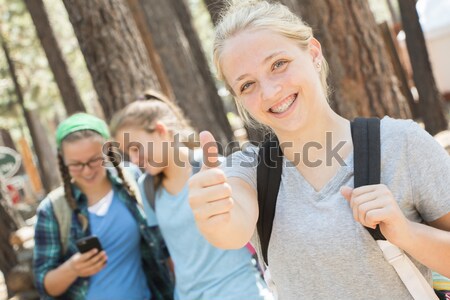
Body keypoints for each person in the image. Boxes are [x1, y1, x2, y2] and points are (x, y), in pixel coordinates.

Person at [187, 1, 450, 299]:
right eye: (247, 85)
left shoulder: (401, 143)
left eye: (278, 64)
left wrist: (407, 233)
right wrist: (215, 213)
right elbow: (231, 228)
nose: (270, 91)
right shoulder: (249, 170)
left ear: (312, 52)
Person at [110, 92, 272, 300]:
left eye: (136, 148)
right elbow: (170, 253)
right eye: (128, 153)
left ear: (160, 131)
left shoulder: (212, 167)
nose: (134, 159)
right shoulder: (147, 188)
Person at [33, 113, 173, 300]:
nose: (87, 170)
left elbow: (165, 244)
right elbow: (44, 284)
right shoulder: (52, 209)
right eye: (76, 164)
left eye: (94, 160)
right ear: (63, 161)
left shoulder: (133, 180)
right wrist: (72, 268)